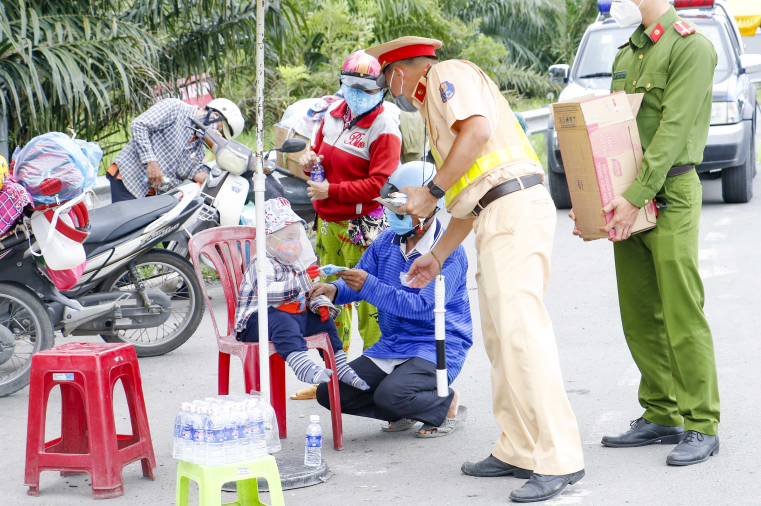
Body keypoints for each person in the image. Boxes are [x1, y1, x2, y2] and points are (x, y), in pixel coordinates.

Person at [364, 37, 584, 502]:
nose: (391, 91)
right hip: (493, 213)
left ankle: (559, 457)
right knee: (501, 339)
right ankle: (518, 448)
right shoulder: (433, 112)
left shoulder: (447, 75)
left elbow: (479, 133)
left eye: (388, 81)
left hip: (514, 208)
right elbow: (470, 191)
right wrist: (438, 255)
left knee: (522, 336)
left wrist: (431, 191)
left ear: (400, 70)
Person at [571, 0, 720, 466]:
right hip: (628, 199)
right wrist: (598, 205)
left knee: (681, 312)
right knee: (638, 313)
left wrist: (635, 199)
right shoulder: (629, 51)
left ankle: (701, 422)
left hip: (670, 194)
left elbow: (672, 135)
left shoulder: (690, 47)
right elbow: (612, 134)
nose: (614, 1)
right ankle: (661, 412)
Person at [312, 161, 471, 437]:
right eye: (390, 208)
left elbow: (423, 309)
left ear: (427, 208)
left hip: (435, 346)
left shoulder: (448, 252)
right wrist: (335, 290)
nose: (392, 215)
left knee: (390, 394)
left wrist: (369, 285)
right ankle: (409, 408)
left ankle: (445, 402)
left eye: (401, 210)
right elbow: (360, 282)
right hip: (394, 344)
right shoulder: (385, 241)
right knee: (331, 392)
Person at [299, 50, 402, 355]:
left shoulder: (384, 127)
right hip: (328, 224)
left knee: (368, 301)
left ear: (380, 89)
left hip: (362, 227)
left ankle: (376, 373)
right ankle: (335, 373)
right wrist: (309, 160)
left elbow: (378, 186)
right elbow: (317, 153)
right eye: (351, 87)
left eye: (366, 90)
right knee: (328, 300)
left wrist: (330, 191)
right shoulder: (332, 115)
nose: (357, 95)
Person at [233, 197, 370, 391]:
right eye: (289, 238)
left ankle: (339, 364)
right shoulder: (262, 263)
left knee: (323, 321)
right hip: (255, 323)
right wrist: (302, 281)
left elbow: (307, 292)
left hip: (289, 318)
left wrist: (319, 304)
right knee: (281, 318)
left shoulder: (294, 264)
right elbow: (268, 294)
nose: (295, 243)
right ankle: (301, 364)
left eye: (297, 237)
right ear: (269, 238)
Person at [107, 97, 244, 202]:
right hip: (128, 179)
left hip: (152, 193)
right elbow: (139, 125)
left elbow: (189, 170)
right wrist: (151, 162)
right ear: (215, 114)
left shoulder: (199, 145)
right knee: (126, 235)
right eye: (219, 129)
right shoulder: (175, 108)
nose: (216, 133)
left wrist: (214, 181)